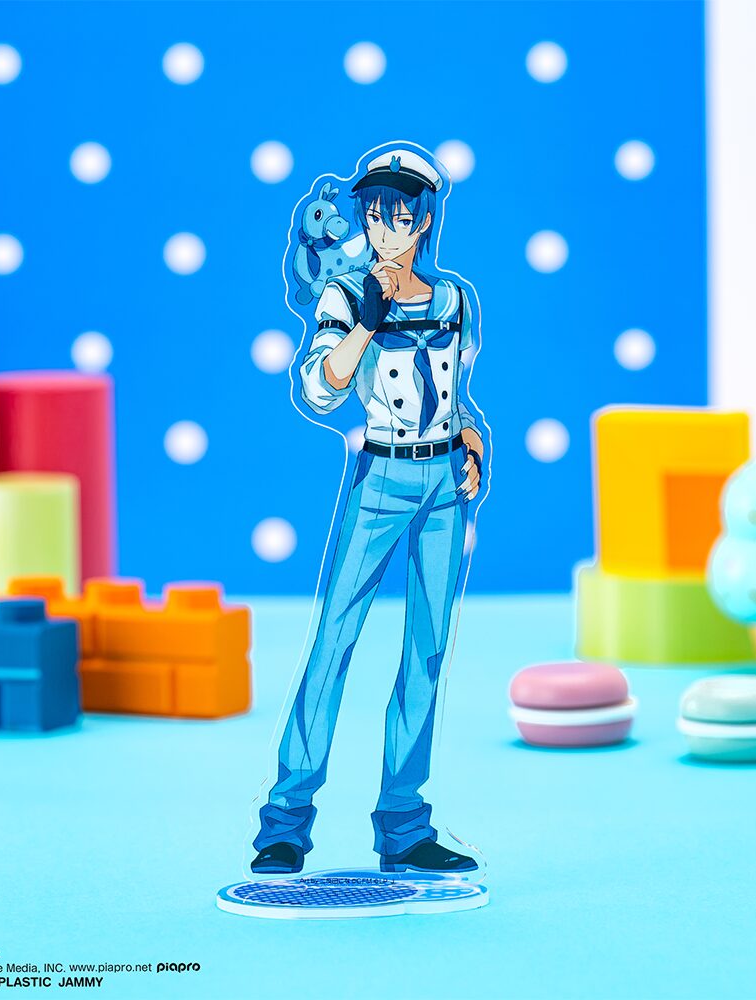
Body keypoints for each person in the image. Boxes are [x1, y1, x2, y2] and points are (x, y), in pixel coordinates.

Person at [252, 148, 486, 875]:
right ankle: (285, 822)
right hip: (381, 476)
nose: (386, 228)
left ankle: (404, 825)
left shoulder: (453, 300)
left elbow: (455, 394)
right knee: (334, 639)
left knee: (428, 649)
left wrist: (472, 440)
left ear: (424, 221)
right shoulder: (344, 295)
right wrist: (365, 322)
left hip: (443, 482)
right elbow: (319, 390)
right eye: (375, 214)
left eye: (400, 215)